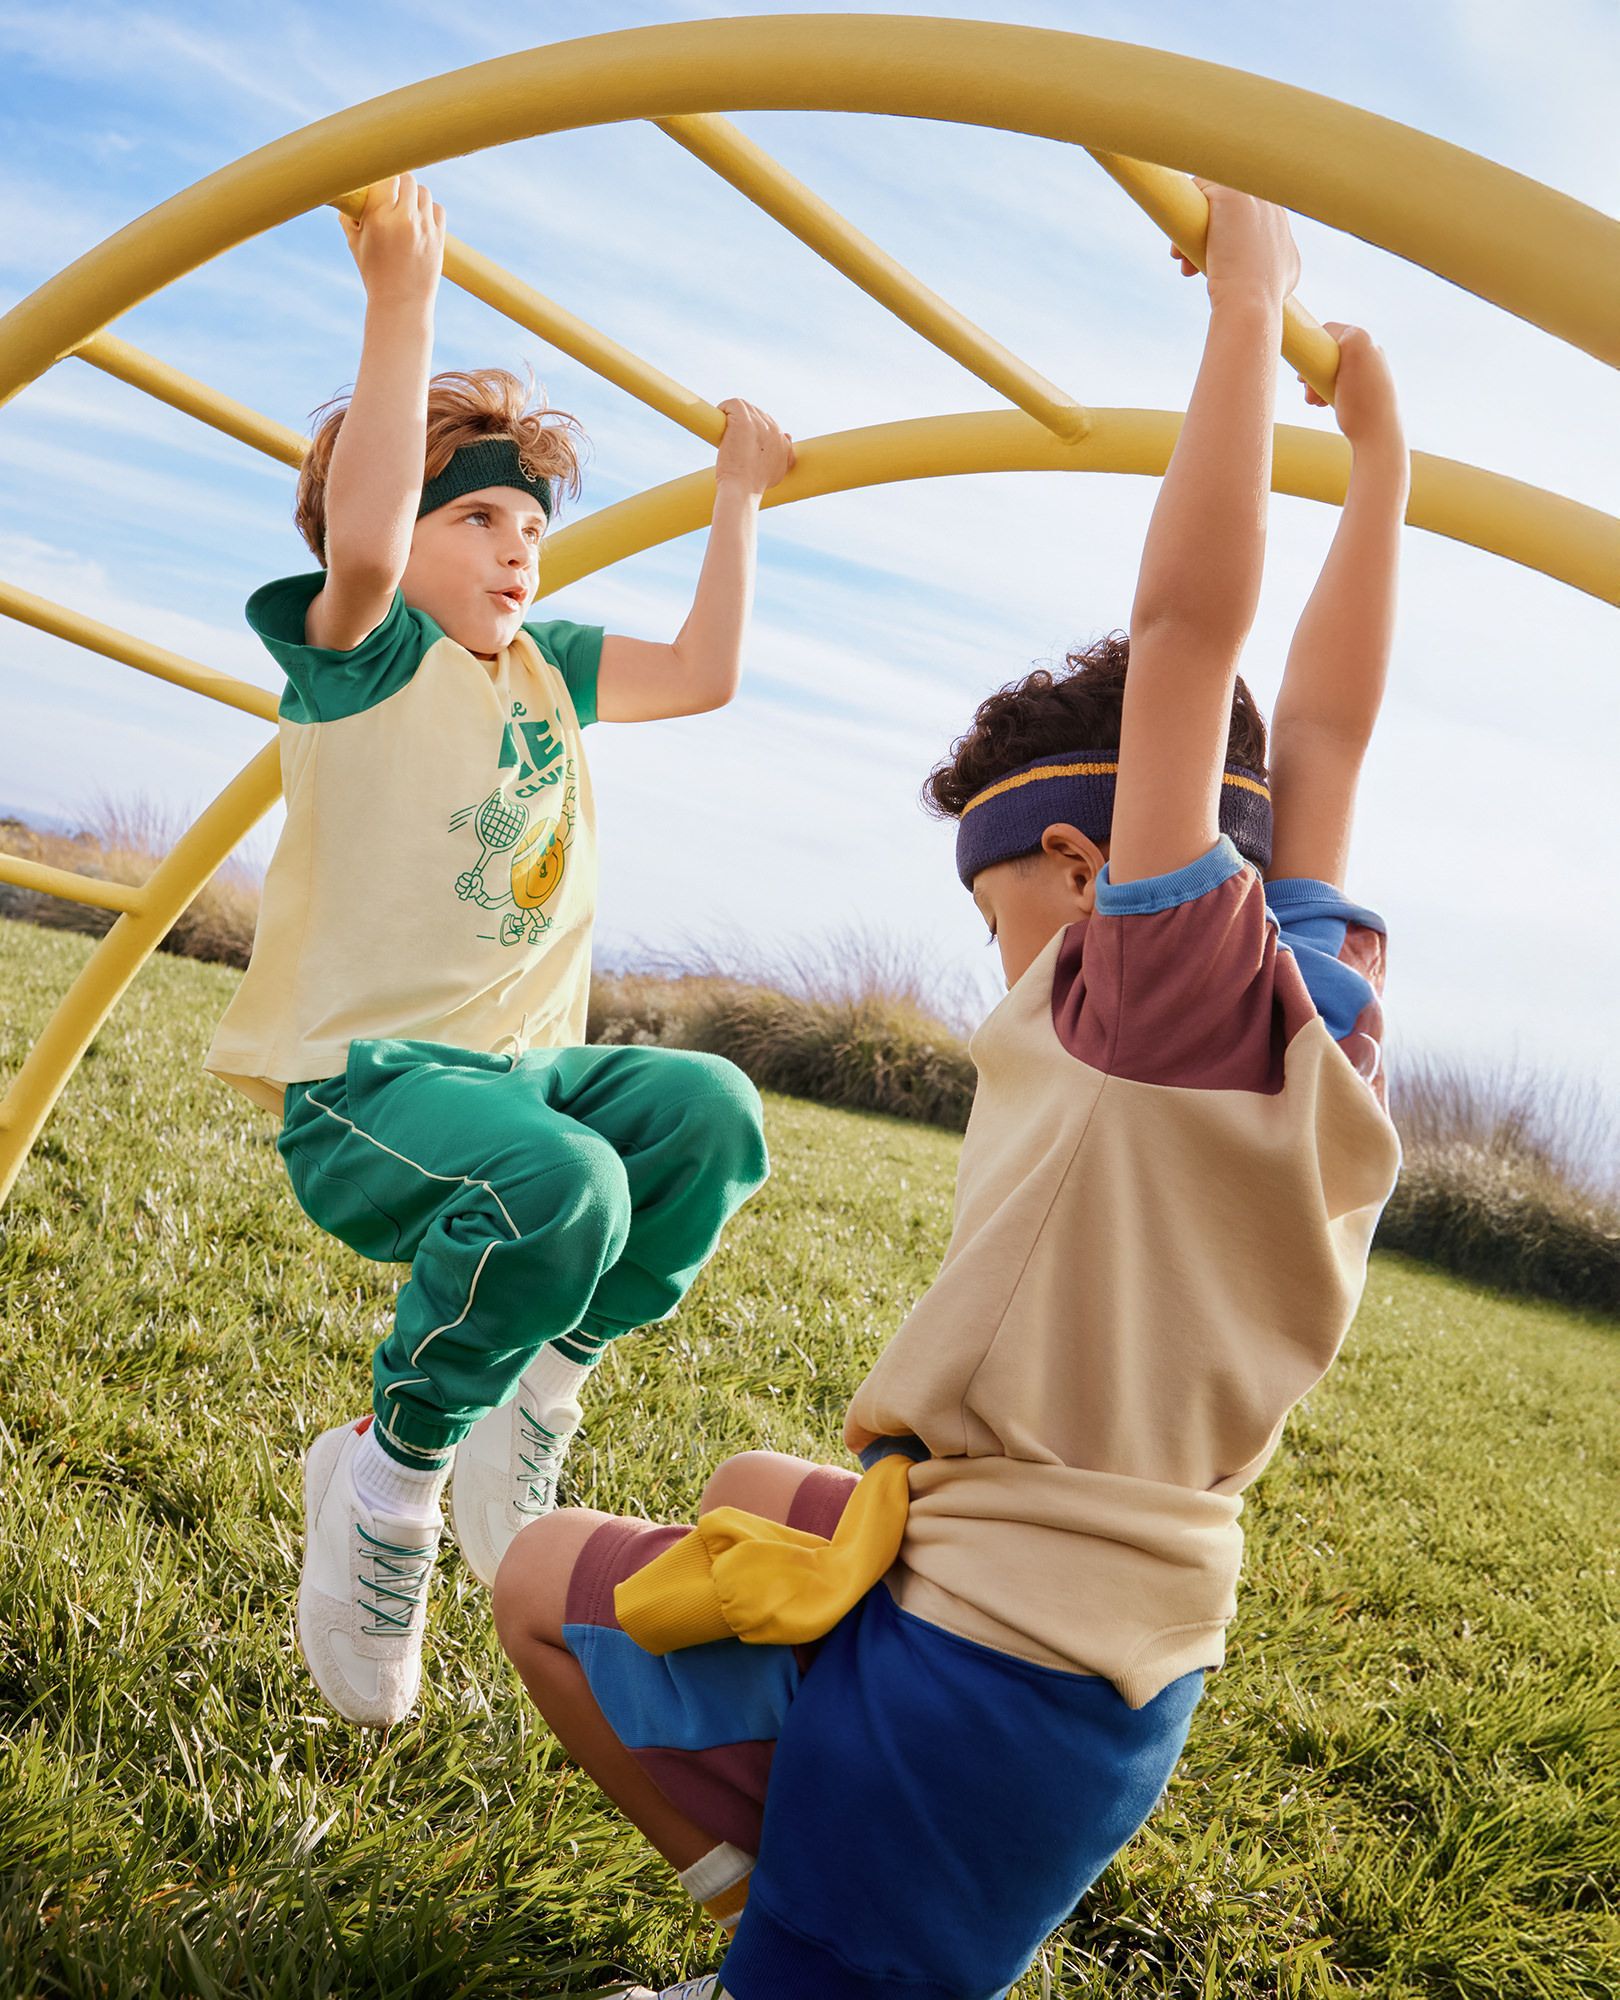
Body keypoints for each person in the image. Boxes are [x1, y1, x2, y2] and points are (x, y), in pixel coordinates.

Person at [490, 180, 1409, 2000]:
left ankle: (775, 1926)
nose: (1002, 963)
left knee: (537, 1580)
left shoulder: (1150, 989)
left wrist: (1246, 311)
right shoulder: (1324, 1005)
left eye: (996, 917)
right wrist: (1378, 464)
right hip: (1129, 1627)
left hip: (981, 1673)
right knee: (764, 1480)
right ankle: (794, 1851)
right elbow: (1320, 735)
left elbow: (1190, 640)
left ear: (1083, 865)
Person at [202, 173, 794, 1728]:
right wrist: (403, 295)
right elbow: (368, 537)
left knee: (707, 1116)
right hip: (370, 1089)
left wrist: (737, 497)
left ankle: (531, 1392)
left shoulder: (549, 668)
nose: (518, 550)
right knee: (566, 1187)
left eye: (532, 525)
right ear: (396, 529)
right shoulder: (366, 652)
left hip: (531, 1078)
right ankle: (385, 1483)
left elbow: (710, 674)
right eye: (477, 516)